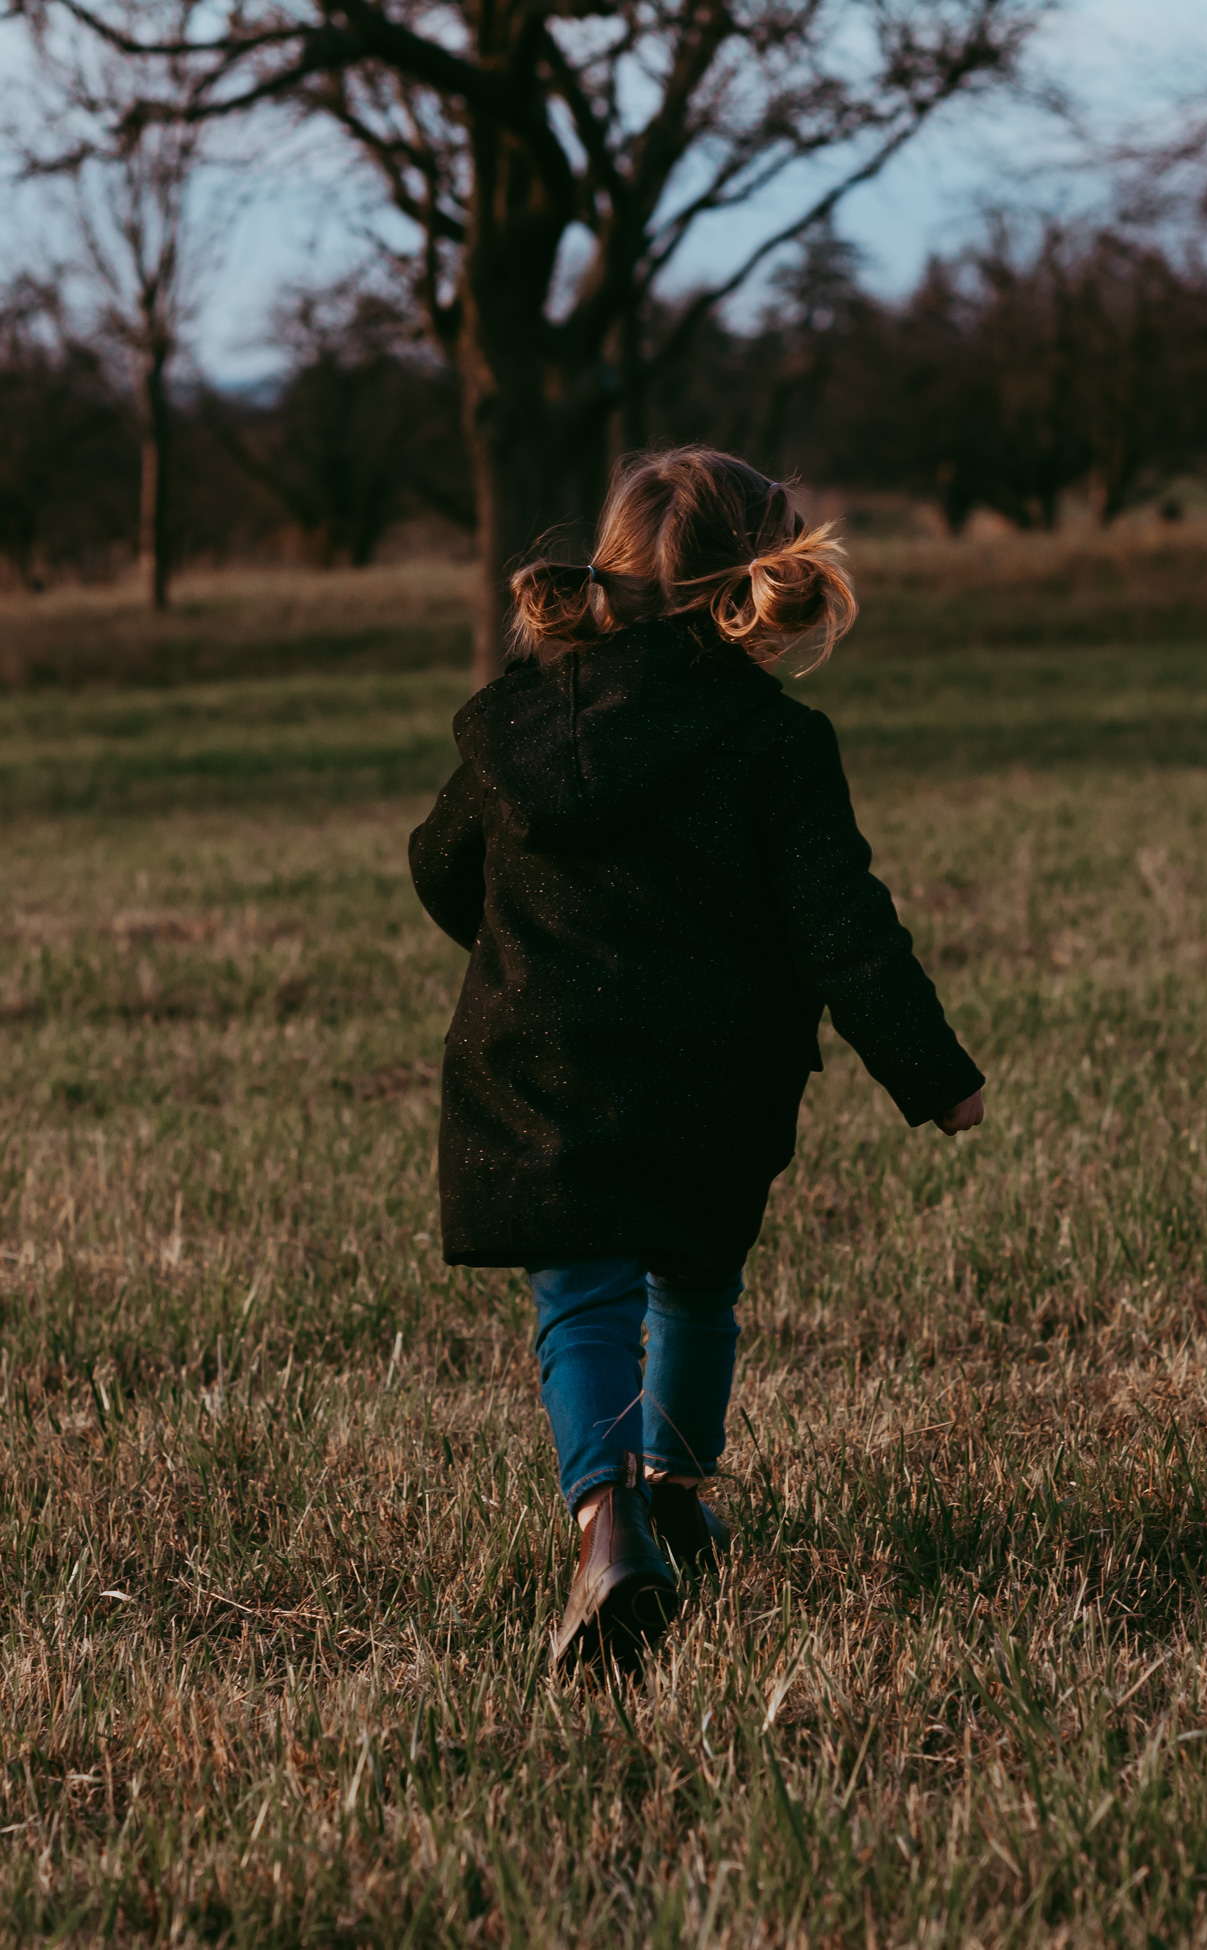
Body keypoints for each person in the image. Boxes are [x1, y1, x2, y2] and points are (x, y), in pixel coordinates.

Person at [409, 447, 985, 1671]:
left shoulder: (517, 728)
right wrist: (932, 1073)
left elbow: (438, 865)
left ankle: (608, 1521)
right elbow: (843, 925)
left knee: (582, 1296)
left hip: (542, 1064)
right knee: (693, 1280)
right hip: (715, 1078)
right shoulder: (775, 742)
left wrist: (528, 955)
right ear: (756, 584)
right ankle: (674, 1485)